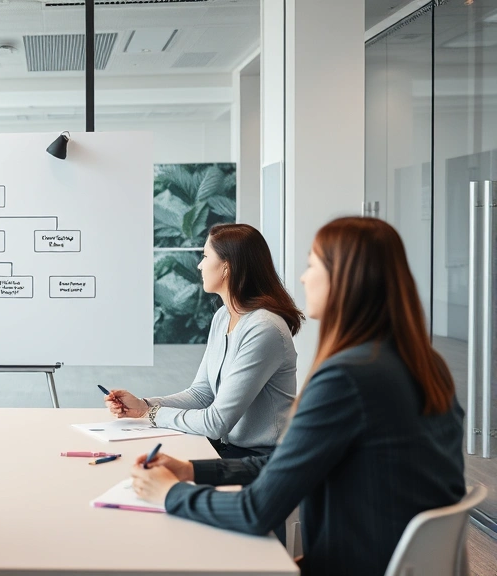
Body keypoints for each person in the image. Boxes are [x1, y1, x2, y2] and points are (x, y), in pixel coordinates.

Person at [131, 217, 465, 576]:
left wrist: (170, 494)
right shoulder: (424, 365)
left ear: (345, 278)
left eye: (312, 264)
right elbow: (291, 460)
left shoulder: (344, 379)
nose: (303, 278)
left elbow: (255, 511)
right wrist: (193, 470)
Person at [106, 223, 304, 457]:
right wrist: (144, 405)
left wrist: (150, 414)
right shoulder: (223, 316)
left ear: (227, 267)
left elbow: (216, 422)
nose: (199, 265)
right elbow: (202, 394)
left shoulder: (264, 328)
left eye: (205, 256)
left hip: (264, 460)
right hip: (230, 450)